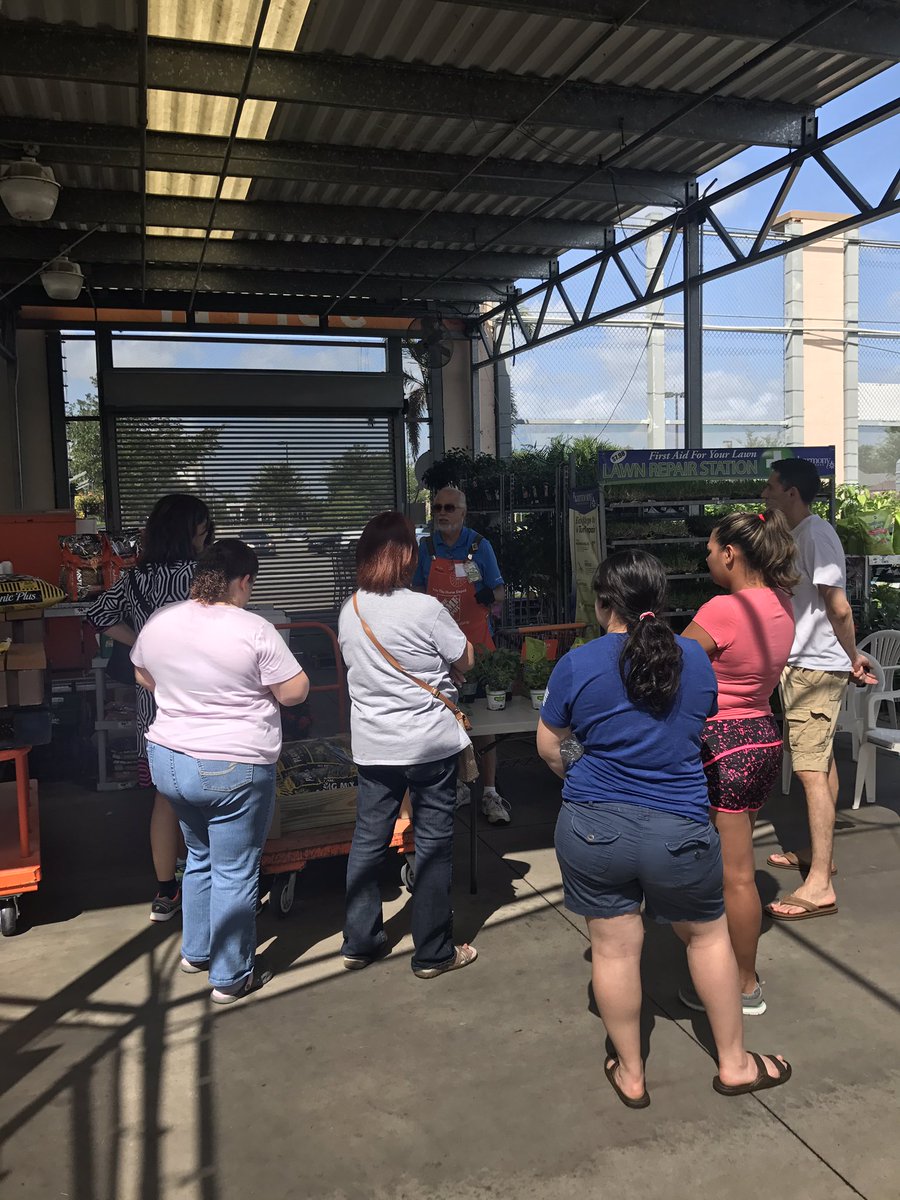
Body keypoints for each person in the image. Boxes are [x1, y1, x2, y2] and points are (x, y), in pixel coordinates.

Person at [537, 550, 791, 1107]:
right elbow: (697, 725)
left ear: (604, 604)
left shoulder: (577, 664)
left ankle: (631, 1074)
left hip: (592, 828)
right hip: (678, 826)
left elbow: (550, 746)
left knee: (613, 951)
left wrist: (584, 769)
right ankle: (735, 1064)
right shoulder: (695, 663)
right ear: (661, 600)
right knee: (708, 937)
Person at [131, 539, 308, 1003]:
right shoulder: (254, 628)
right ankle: (231, 977)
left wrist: (184, 690)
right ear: (244, 580)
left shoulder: (161, 621)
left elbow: (142, 674)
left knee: (199, 857)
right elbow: (294, 692)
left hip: (169, 760)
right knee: (235, 869)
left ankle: (196, 951)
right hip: (233, 764)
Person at [339, 511, 478, 979]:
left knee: (368, 841)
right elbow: (466, 658)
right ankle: (434, 952)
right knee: (434, 843)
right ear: (407, 558)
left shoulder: (350, 609)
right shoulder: (425, 608)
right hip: (428, 746)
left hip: (374, 746)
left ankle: (359, 941)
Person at [679, 511, 798, 1016]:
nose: (706, 556)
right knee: (738, 869)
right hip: (763, 739)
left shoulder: (723, 609)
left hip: (721, 745)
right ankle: (734, 972)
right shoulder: (781, 605)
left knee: (735, 875)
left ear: (730, 553)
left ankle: (743, 984)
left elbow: (672, 662)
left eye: (710, 548)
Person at [88, 493, 213, 922]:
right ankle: (210, 881)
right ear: (189, 531)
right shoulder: (202, 576)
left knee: (166, 794)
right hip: (201, 695)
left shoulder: (134, 576)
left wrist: (140, 641)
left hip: (152, 696)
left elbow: (99, 613)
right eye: (202, 527)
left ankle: (165, 891)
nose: (206, 534)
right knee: (210, 790)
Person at [762, 458, 875, 922]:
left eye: (771, 486)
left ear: (792, 492)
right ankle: (818, 857)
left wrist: (850, 658)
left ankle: (820, 885)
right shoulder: (798, 535)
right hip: (804, 665)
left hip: (814, 669)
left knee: (809, 771)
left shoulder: (816, 535)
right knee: (820, 761)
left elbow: (839, 607)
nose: (765, 493)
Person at [412, 486, 509, 824]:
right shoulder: (425, 547)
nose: (442, 512)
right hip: (436, 652)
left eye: (449, 507)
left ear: (463, 513)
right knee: (445, 720)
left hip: (477, 646)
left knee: (486, 722)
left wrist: (488, 594)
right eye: (437, 506)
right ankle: (458, 786)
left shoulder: (480, 547)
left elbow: (500, 592)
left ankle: (490, 791)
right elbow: (416, 594)